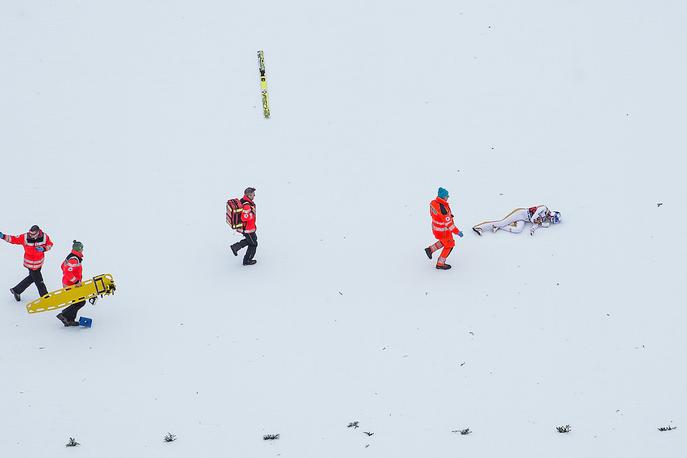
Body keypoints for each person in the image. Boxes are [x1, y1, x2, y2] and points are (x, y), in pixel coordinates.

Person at [1, 225, 53, 300]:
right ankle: (45, 297)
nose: (31, 235)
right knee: (39, 281)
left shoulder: (44, 237)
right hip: (29, 264)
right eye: (30, 233)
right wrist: (3, 236)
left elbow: (50, 244)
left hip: (39, 263)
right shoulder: (25, 237)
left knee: (32, 278)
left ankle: (16, 290)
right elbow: (13, 239)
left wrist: (44, 248)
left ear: (38, 232)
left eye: (33, 234)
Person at [424, 187, 463, 270]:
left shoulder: (434, 203)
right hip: (444, 231)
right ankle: (440, 264)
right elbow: (449, 224)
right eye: (446, 196)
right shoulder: (443, 208)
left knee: (444, 241)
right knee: (449, 245)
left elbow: (437, 216)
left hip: (436, 229)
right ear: (442, 196)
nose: (448, 197)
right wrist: (458, 232)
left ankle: (430, 250)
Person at [472, 205, 561, 236]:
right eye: (551, 218)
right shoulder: (543, 208)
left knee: (518, 230)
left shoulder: (544, 217)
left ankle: (498, 227)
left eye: (551, 220)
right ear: (552, 214)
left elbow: (535, 224)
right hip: (521, 213)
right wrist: (541, 223)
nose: (549, 219)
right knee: (502, 222)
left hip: (524, 219)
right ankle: (479, 227)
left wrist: (532, 230)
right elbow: (534, 219)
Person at [56, 240, 85, 327]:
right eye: (82, 248)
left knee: (77, 301)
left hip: (68, 283)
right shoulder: (74, 259)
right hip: (71, 285)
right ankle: (64, 315)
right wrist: (76, 281)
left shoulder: (71, 256)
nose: (83, 250)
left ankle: (69, 320)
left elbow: (62, 266)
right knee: (80, 301)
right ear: (79, 249)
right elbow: (67, 272)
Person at [230, 187, 258, 266]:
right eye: (253, 194)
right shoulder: (247, 205)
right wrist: (252, 215)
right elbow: (244, 217)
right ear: (249, 195)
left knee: (252, 240)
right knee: (253, 244)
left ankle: (235, 247)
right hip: (247, 229)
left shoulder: (244, 200)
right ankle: (247, 260)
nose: (254, 196)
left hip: (249, 228)